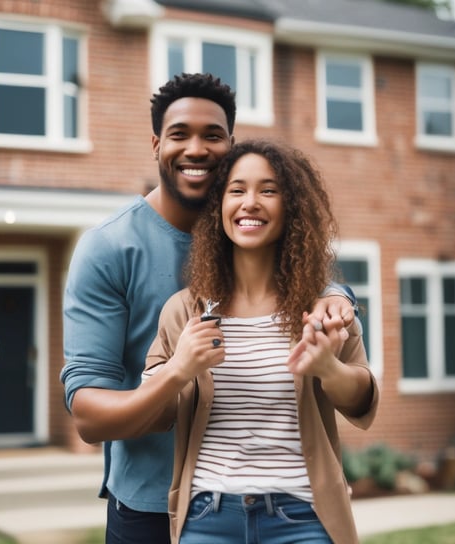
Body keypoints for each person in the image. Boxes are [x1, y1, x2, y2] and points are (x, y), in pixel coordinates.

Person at [60, 74, 358, 544]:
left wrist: (338, 294)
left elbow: (304, 279)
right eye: (180, 135)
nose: (196, 149)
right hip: (150, 505)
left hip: (272, 506)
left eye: (213, 136)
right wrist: (177, 372)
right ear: (156, 144)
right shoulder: (108, 248)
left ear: (232, 146)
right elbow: (89, 416)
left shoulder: (251, 224)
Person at [141, 139, 379, 543]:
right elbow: (153, 412)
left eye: (268, 190)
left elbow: (363, 402)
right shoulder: (184, 311)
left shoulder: (322, 310)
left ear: (292, 208)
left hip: (302, 519)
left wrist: (328, 369)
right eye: (237, 190)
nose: (250, 202)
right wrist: (179, 369)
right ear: (218, 207)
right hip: (207, 518)